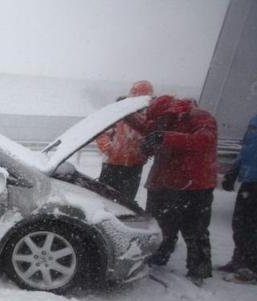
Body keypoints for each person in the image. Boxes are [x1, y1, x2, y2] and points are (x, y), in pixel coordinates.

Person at [128, 96, 218, 285]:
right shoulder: (162, 121)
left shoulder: (200, 118)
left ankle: (198, 270)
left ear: (172, 113)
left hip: (195, 186)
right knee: (161, 224)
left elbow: (204, 141)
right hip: (167, 183)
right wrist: (127, 114)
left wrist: (166, 138)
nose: (157, 124)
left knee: (195, 229)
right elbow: (148, 129)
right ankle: (158, 258)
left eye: (160, 120)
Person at [95, 80, 153, 202]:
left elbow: (151, 138)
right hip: (113, 164)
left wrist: (146, 151)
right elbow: (101, 132)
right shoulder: (118, 111)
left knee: (124, 201)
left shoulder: (149, 116)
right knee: (106, 198)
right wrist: (109, 148)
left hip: (133, 166)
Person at [220, 113, 257, 281]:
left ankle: (252, 268)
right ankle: (240, 260)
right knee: (241, 222)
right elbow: (246, 148)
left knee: (253, 225)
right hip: (249, 179)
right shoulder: (254, 120)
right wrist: (233, 172)